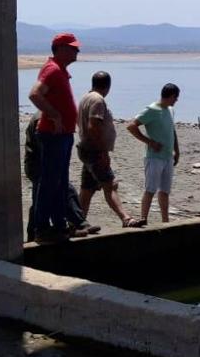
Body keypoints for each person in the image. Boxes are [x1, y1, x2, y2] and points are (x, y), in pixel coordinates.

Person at [28, 33, 83, 243]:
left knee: (60, 182)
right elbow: (35, 94)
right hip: (53, 135)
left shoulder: (60, 71)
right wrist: (55, 115)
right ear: (59, 48)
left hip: (62, 135)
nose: (76, 51)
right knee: (50, 182)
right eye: (72, 48)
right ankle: (42, 228)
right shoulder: (52, 70)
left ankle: (60, 227)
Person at [77, 71, 142, 228]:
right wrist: (102, 152)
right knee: (110, 184)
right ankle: (126, 218)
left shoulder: (85, 97)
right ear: (108, 86)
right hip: (94, 151)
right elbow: (94, 126)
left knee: (87, 189)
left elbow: (82, 123)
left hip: (86, 148)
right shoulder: (98, 100)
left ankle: (78, 221)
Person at [24, 113, 98, 242]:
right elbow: (44, 147)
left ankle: (74, 223)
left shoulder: (46, 116)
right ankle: (75, 223)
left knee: (43, 196)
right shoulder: (42, 118)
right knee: (59, 192)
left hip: (42, 165)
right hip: (39, 166)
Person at [128, 83, 181, 224]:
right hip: (154, 158)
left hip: (168, 156)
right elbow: (131, 126)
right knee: (150, 189)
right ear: (170, 96)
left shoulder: (170, 110)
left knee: (165, 191)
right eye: (176, 98)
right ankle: (143, 218)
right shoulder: (152, 110)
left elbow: (172, 130)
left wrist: (177, 150)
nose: (176, 101)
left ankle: (165, 221)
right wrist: (149, 142)